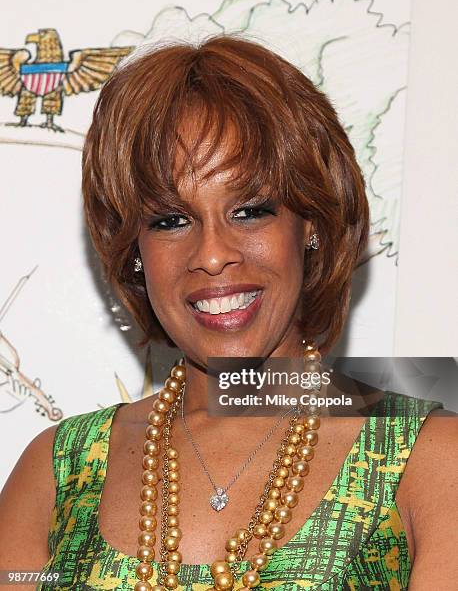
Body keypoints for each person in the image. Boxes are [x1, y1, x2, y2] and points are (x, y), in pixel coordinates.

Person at [0, 35, 456, 591]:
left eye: (250, 210)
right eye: (170, 220)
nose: (213, 254)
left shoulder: (427, 457)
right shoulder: (57, 473)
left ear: (310, 226)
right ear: (134, 252)